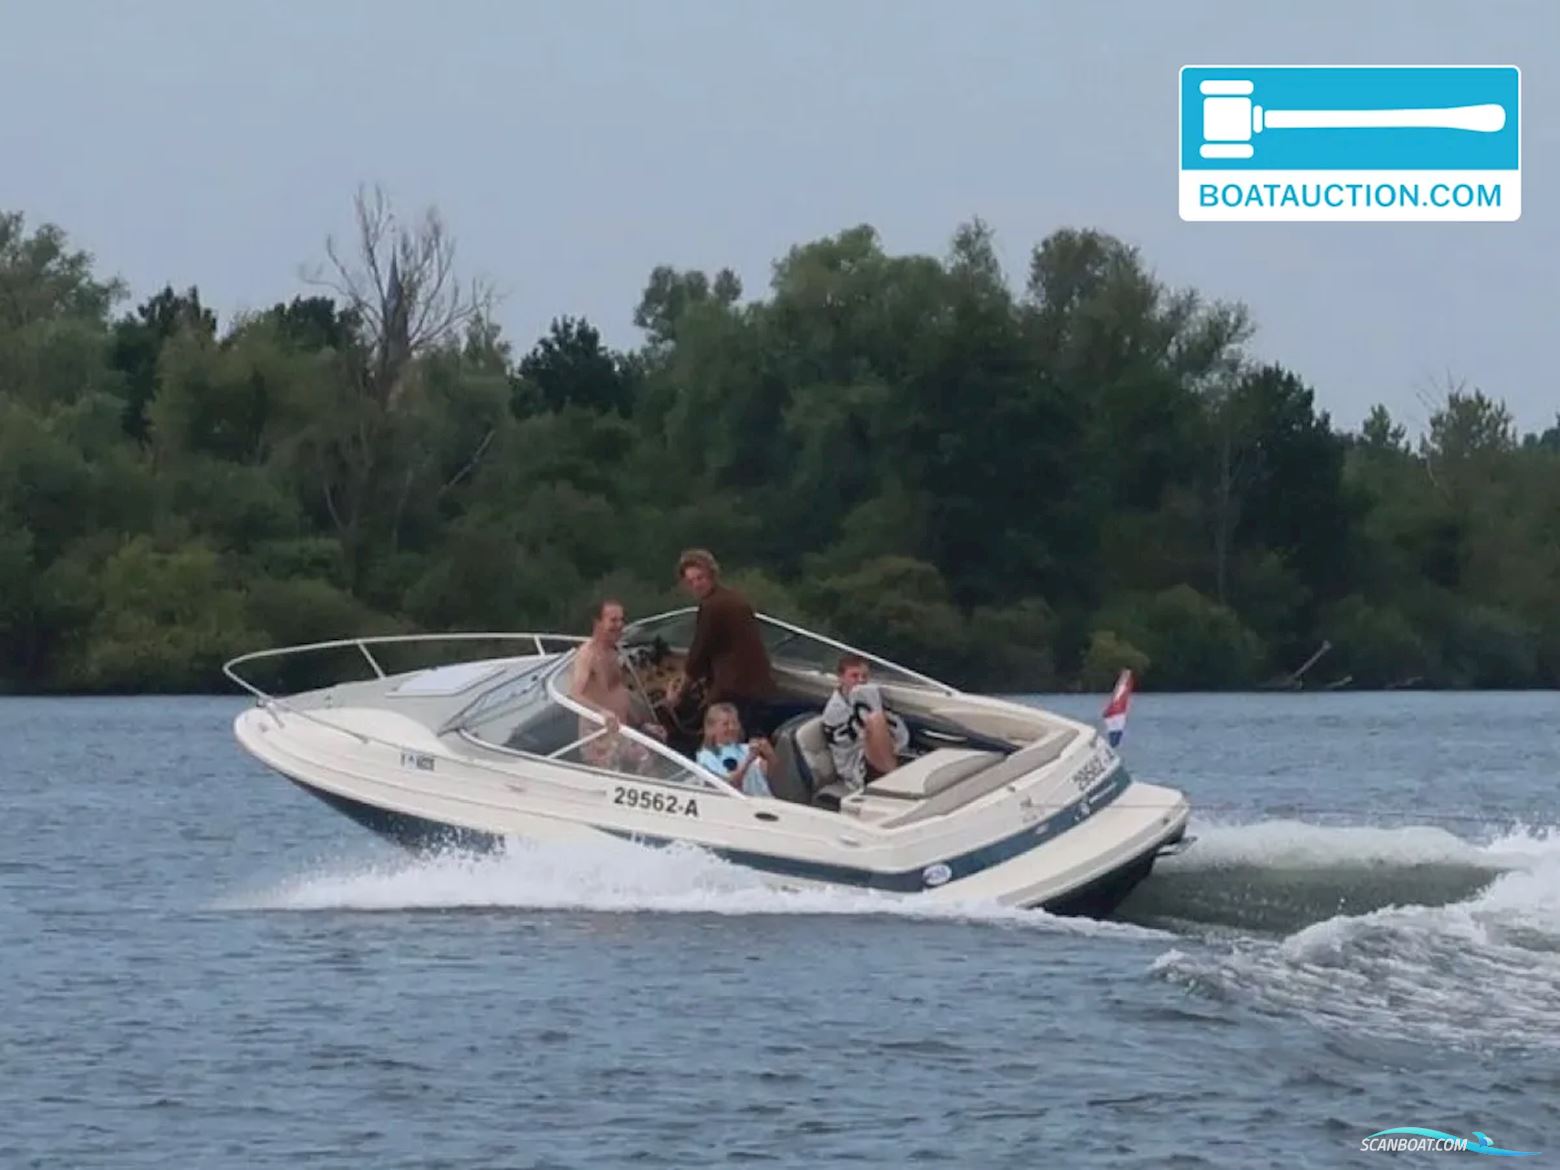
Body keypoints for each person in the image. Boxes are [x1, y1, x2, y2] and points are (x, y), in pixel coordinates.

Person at [665, 549, 779, 736]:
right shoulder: (735, 598)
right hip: (759, 685)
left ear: (712, 574)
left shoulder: (712, 606)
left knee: (695, 731)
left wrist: (679, 693)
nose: (696, 585)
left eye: (700, 578)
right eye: (691, 581)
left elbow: (698, 655)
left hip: (734, 689)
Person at [570, 598, 665, 769]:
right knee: (644, 758)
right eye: (613, 620)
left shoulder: (615, 650)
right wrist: (602, 712)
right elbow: (575, 694)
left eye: (621, 619)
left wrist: (641, 723)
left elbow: (618, 692)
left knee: (660, 736)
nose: (619, 625)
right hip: (602, 738)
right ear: (598, 622)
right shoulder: (588, 655)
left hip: (624, 729)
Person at [821, 653, 909, 790]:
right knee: (874, 720)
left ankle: (898, 769)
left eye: (865, 676)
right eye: (854, 676)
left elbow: (894, 725)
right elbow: (858, 739)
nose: (861, 681)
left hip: (882, 753)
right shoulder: (834, 711)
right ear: (841, 678)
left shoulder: (867, 697)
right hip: (856, 764)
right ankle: (895, 778)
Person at [695, 702, 776, 798]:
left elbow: (772, 775)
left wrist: (770, 755)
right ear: (712, 728)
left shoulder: (745, 749)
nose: (732, 728)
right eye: (725, 724)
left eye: (735, 723)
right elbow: (729, 785)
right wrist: (749, 760)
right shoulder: (706, 757)